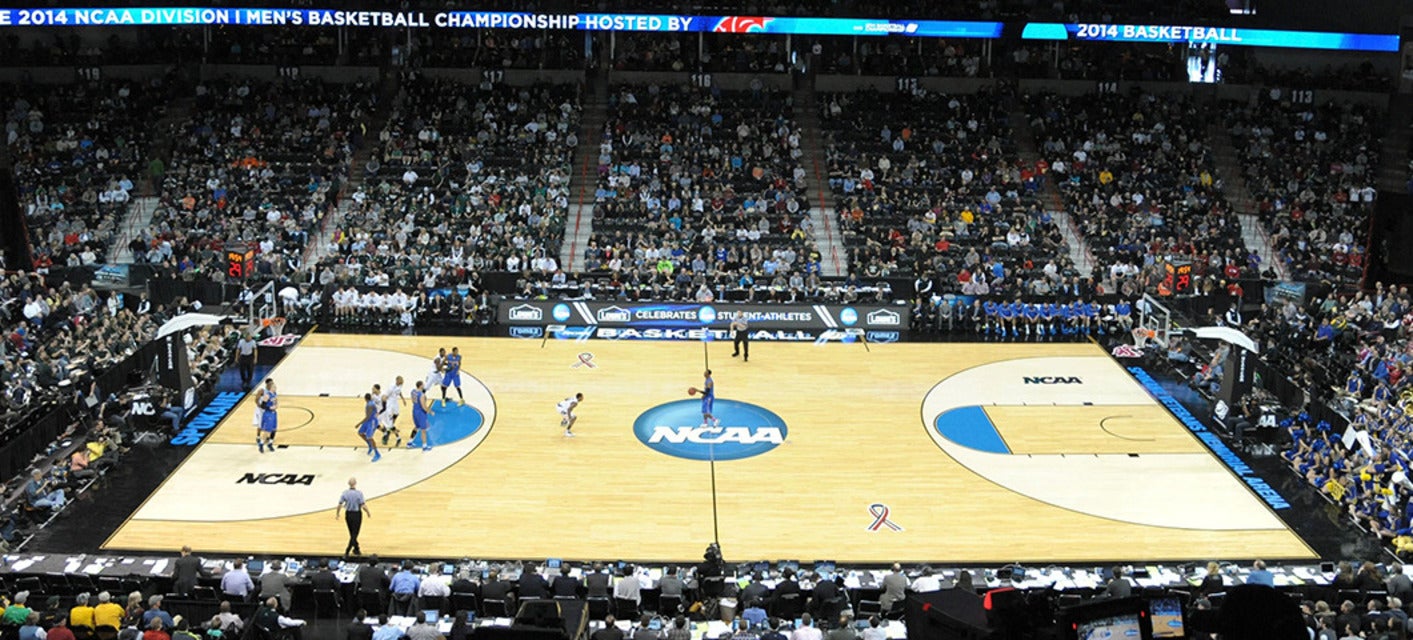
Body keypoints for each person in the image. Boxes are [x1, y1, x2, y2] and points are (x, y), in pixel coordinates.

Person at [338, 477, 371, 558]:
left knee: (352, 533)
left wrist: (337, 513)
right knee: (354, 534)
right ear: (355, 483)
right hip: (356, 514)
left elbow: (340, 504)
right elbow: (363, 505)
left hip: (348, 514)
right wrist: (368, 512)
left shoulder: (345, 493)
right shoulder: (359, 493)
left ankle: (356, 548)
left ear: (348, 484)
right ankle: (347, 551)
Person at [378, 376, 405, 448]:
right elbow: (385, 397)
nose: (402, 382)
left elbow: (399, 392)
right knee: (389, 424)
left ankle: (389, 429)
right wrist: (383, 406)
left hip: (395, 404)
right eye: (401, 381)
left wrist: (403, 399)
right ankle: (396, 437)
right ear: (397, 380)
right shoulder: (391, 387)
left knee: (395, 415)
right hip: (390, 406)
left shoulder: (400, 386)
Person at [409, 381, 435, 450]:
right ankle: (424, 446)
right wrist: (430, 412)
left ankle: (410, 442)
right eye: (423, 384)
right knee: (423, 430)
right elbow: (423, 407)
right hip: (420, 413)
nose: (424, 385)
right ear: (420, 386)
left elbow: (413, 401)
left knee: (417, 427)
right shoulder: (422, 395)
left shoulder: (413, 391)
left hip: (415, 410)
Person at [358, 393, 382, 462]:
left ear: (365, 399)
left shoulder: (369, 405)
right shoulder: (370, 403)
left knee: (369, 437)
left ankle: (377, 454)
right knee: (360, 433)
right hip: (369, 420)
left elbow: (367, 417)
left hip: (371, 422)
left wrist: (359, 423)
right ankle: (370, 445)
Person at [256, 379, 278, 453]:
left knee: (274, 429)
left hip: (274, 413)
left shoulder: (275, 393)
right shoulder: (267, 395)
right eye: (274, 387)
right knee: (267, 430)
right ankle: (261, 444)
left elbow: (276, 401)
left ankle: (270, 443)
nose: (275, 387)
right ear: (271, 387)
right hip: (268, 414)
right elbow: (262, 405)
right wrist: (269, 408)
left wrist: (276, 405)